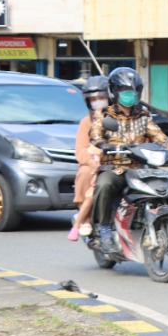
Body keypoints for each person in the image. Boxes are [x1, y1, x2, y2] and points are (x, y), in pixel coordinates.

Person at [89, 67, 168, 249]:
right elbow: (96, 136)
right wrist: (104, 145)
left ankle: (166, 222)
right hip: (115, 168)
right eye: (126, 91)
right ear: (114, 92)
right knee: (104, 184)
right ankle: (103, 230)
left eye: (134, 91)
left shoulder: (143, 115)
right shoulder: (104, 114)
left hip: (141, 169)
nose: (131, 94)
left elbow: (158, 136)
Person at [67, 75, 109, 241]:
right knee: (84, 173)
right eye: (94, 99)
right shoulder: (87, 122)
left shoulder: (120, 117)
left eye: (101, 97)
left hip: (119, 161)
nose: (98, 102)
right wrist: (91, 162)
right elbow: (81, 149)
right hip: (95, 164)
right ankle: (85, 218)